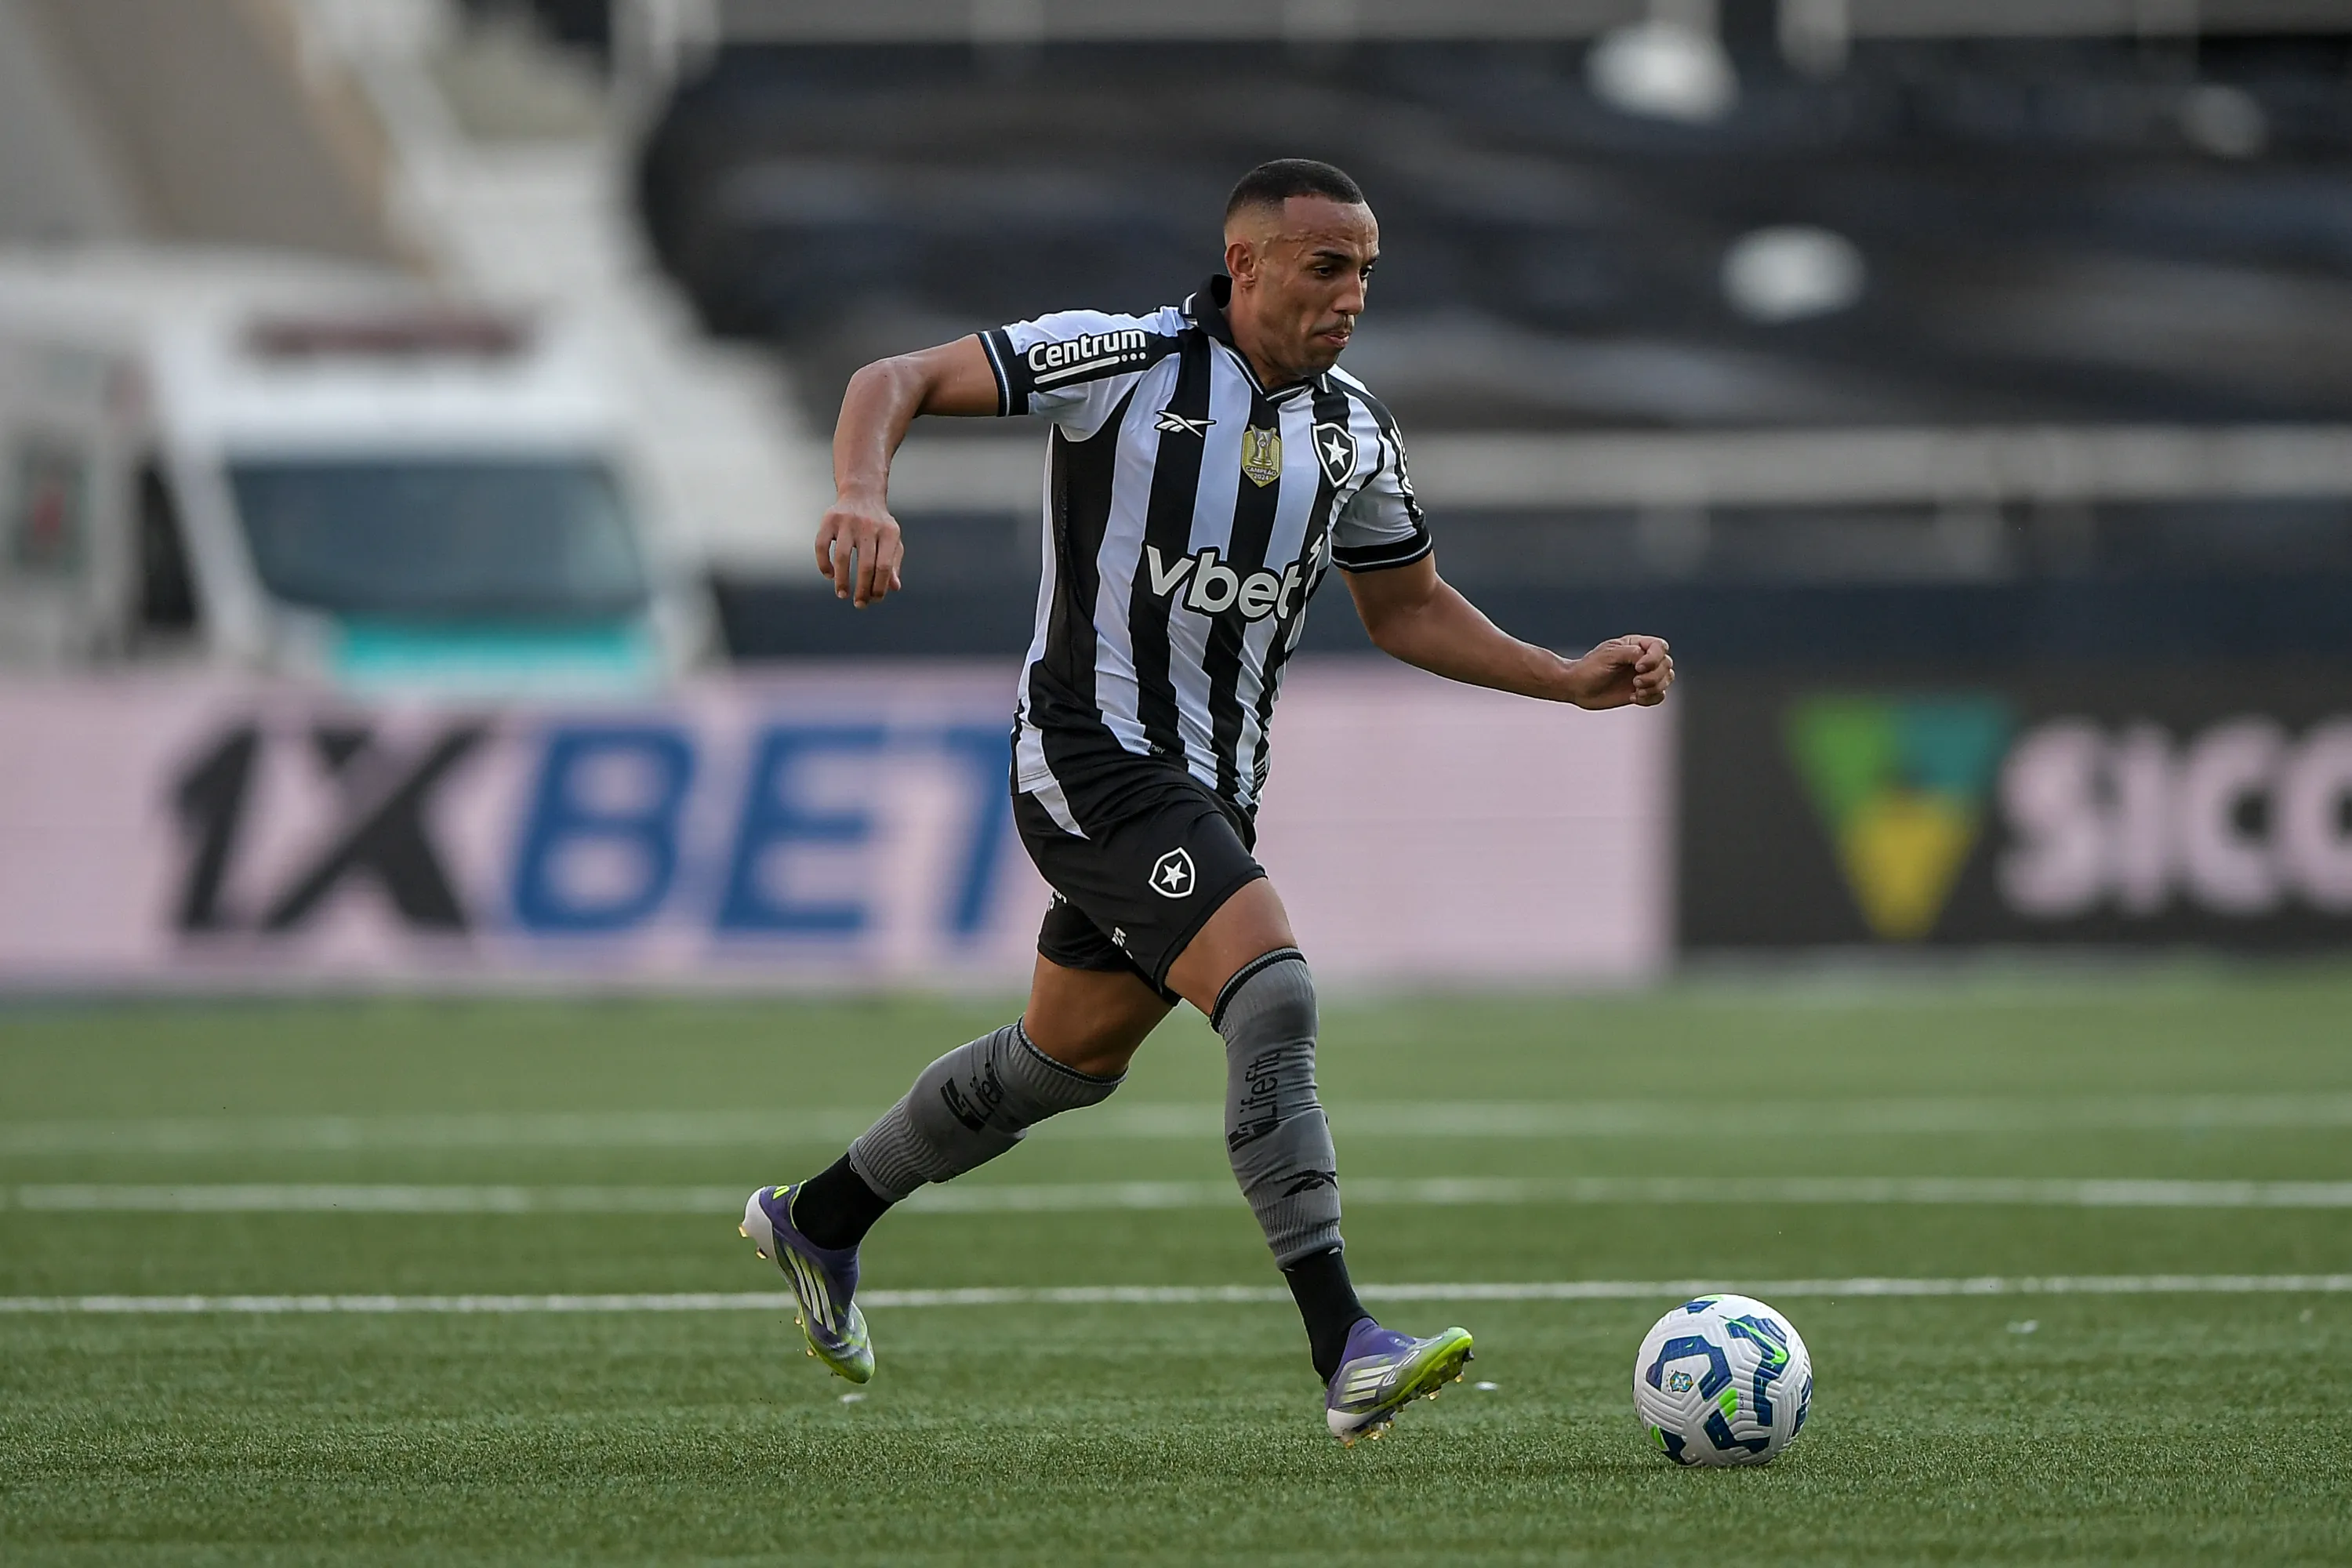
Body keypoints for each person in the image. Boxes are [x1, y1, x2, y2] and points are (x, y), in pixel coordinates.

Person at [742, 158, 1674, 1446]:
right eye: (1325, 266)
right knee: (1273, 988)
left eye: (1366, 272)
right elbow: (886, 380)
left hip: (1214, 792)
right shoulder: (1121, 358)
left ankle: (820, 1220)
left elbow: (1405, 607)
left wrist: (1564, 680)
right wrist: (860, 492)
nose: (1352, 296)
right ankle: (1347, 1344)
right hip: (1086, 757)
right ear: (1245, 265)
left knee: (1060, 1063)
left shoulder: (1355, 430)